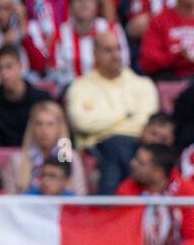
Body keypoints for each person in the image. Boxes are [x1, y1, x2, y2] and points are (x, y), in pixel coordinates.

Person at [65, 28, 158, 193]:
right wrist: (126, 115)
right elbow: (82, 123)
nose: (115, 55)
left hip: (136, 144)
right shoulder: (79, 87)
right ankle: (127, 201)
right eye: (108, 50)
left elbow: (147, 122)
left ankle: (110, 204)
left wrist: (107, 126)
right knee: (115, 145)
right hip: (95, 147)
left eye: (118, 49)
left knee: (121, 146)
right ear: (95, 55)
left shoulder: (143, 84)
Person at [116, 142, 194, 245]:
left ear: (158, 172)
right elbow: (120, 235)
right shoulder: (127, 188)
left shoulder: (187, 190)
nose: (132, 163)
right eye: (135, 159)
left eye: (141, 163)